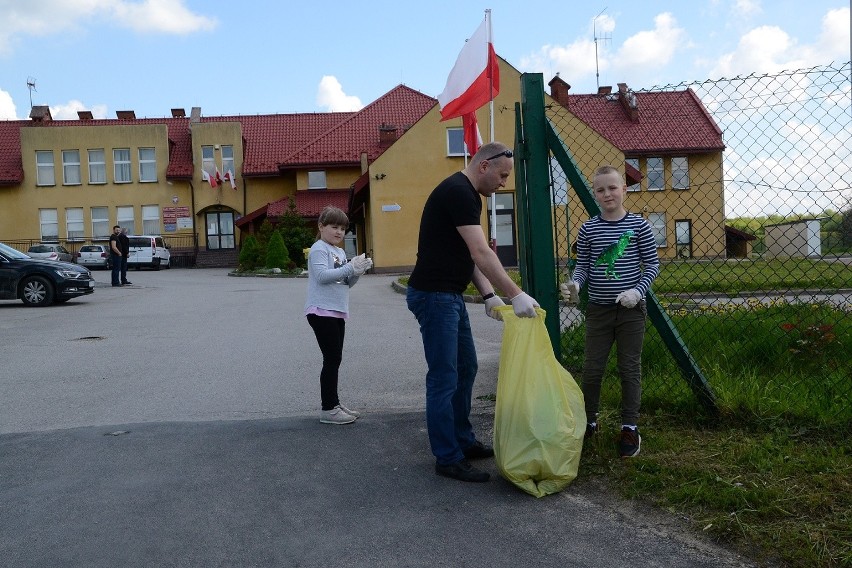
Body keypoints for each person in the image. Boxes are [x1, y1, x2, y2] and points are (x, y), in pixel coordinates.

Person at [406, 141, 540, 483]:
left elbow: (467, 255)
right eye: (503, 175)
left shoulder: (467, 194)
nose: (504, 183)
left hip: (446, 295)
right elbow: (481, 252)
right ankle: (447, 457)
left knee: (466, 367)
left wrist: (490, 294)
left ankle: (462, 441)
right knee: (444, 377)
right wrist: (516, 294)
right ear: (484, 166)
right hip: (435, 297)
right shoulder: (459, 193)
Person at [561, 165, 660, 458]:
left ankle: (629, 426)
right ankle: (589, 420)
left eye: (613, 188)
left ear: (624, 190)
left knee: (629, 368)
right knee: (592, 370)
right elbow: (585, 265)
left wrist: (637, 291)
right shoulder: (589, 227)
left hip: (630, 311)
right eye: (601, 190)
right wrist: (576, 284)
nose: (607, 194)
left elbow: (652, 265)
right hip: (598, 312)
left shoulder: (639, 226)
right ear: (595, 194)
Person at [304, 206, 372, 425]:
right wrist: (350, 268)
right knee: (331, 359)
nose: (339, 232)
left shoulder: (340, 252)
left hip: (336, 311)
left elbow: (345, 282)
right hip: (321, 311)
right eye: (334, 227)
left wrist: (358, 272)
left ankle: (334, 403)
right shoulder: (319, 249)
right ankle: (328, 409)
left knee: (335, 359)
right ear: (321, 227)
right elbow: (323, 276)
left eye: (343, 228)